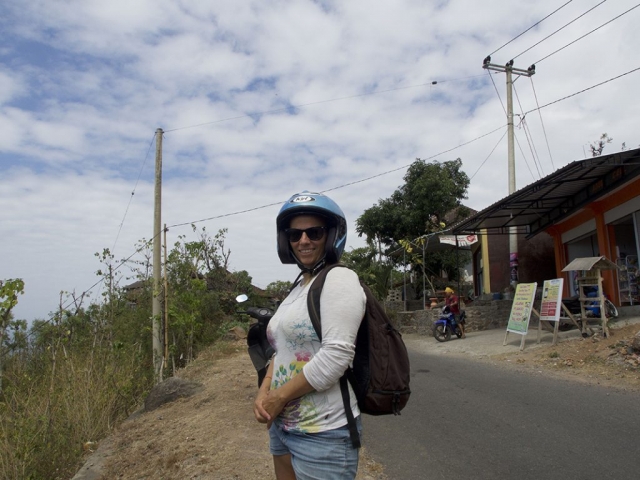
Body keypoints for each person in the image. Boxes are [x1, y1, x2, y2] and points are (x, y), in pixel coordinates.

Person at [253, 191, 366, 480]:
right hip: (283, 427)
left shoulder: (339, 279)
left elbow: (336, 356)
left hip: (323, 433)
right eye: (295, 234)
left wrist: (279, 397)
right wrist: (264, 391)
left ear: (331, 236)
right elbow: (281, 350)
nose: (303, 241)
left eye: (314, 232)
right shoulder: (297, 288)